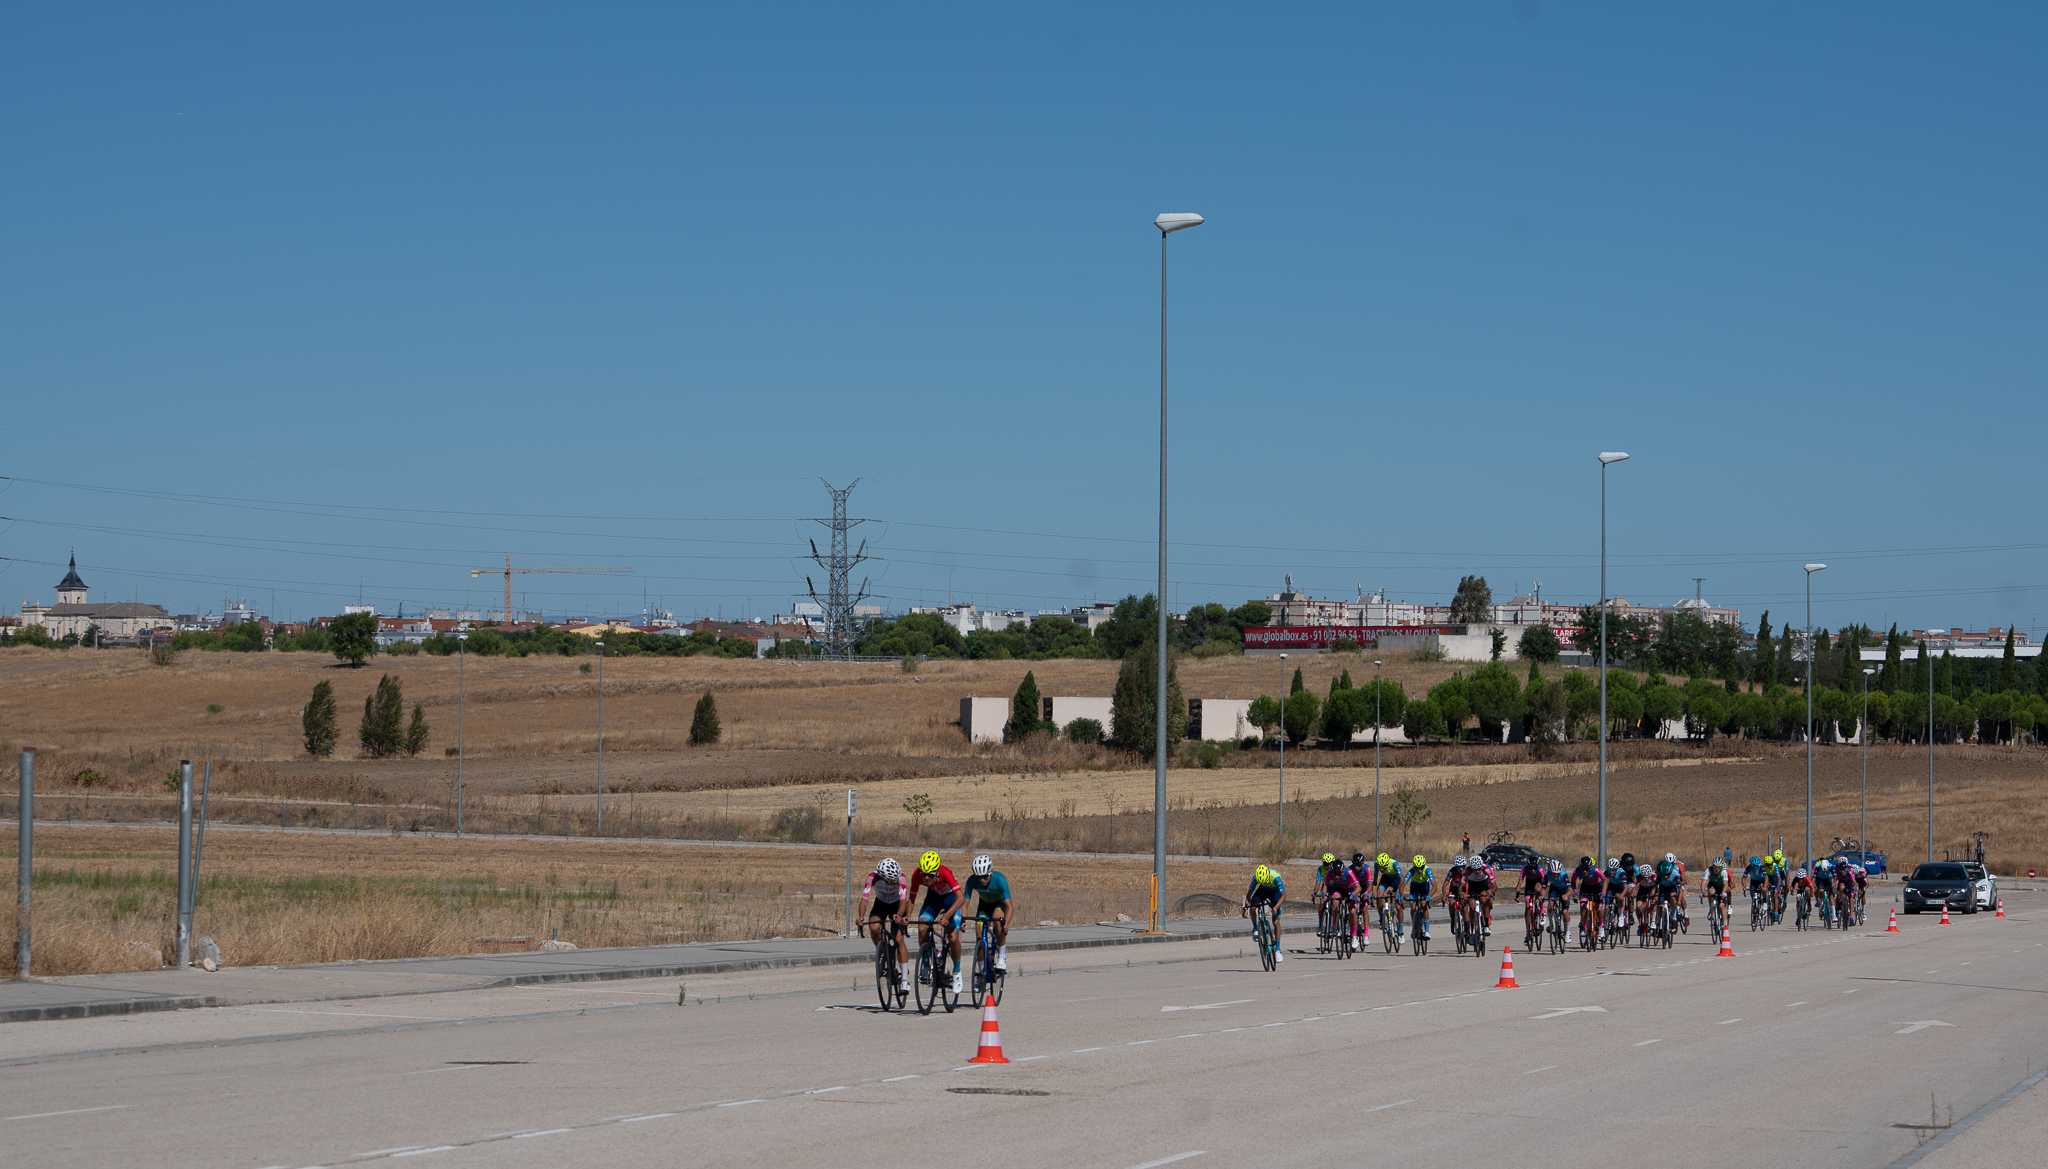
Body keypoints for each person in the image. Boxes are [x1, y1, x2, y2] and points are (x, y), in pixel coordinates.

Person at [909, 850, 966, 993]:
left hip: (951, 900)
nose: (926, 878)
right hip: (933, 899)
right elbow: (911, 898)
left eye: (930, 875)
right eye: (924, 875)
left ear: (937, 872)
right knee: (922, 927)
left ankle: (957, 971)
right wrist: (907, 916)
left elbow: (961, 898)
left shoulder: (945, 872)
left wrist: (946, 916)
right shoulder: (917, 875)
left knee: (953, 937)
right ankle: (927, 961)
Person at [859, 857, 911, 993]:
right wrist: (860, 917)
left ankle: (905, 979)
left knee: (899, 939)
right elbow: (865, 899)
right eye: (891, 880)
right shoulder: (872, 877)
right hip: (881, 903)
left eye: (895, 879)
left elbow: (903, 900)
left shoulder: (901, 878)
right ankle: (882, 950)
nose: (894, 882)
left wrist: (899, 915)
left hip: (897, 905)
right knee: (874, 926)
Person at [960, 854, 1014, 972]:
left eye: (985, 877)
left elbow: (1010, 907)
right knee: (979, 936)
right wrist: (962, 920)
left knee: (997, 921)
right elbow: (965, 903)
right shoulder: (971, 880)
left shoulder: (1000, 880)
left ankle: (1002, 956)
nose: (982, 880)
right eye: (979, 877)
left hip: (999, 904)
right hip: (984, 906)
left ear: (990, 873)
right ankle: (982, 971)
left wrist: (1006, 925)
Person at [1243, 864, 1287, 963]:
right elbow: (1250, 893)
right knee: (1253, 907)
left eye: (1264, 880)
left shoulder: (1275, 876)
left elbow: (1284, 895)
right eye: (1260, 881)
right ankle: (1255, 928)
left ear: (1267, 876)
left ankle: (1278, 950)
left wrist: (1275, 908)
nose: (1262, 882)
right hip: (1262, 891)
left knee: (1276, 921)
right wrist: (1247, 905)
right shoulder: (1256, 877)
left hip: (1274, 892)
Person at [1406, 855, 1434, 941]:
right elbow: (1403, 883)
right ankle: (1414, 926)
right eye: (1417, 868)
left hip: (1424, 888)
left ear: (1424, 865)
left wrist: (1429, 896)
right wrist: (1401, 894)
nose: (1419, 870)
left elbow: (1435, 886)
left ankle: (1427, 931)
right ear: (1414, 867)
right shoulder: (1411, 871)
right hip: (1414, 887)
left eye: (1421, 867)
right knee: (1412, 906)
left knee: (1424, 905)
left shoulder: (1427, 870)